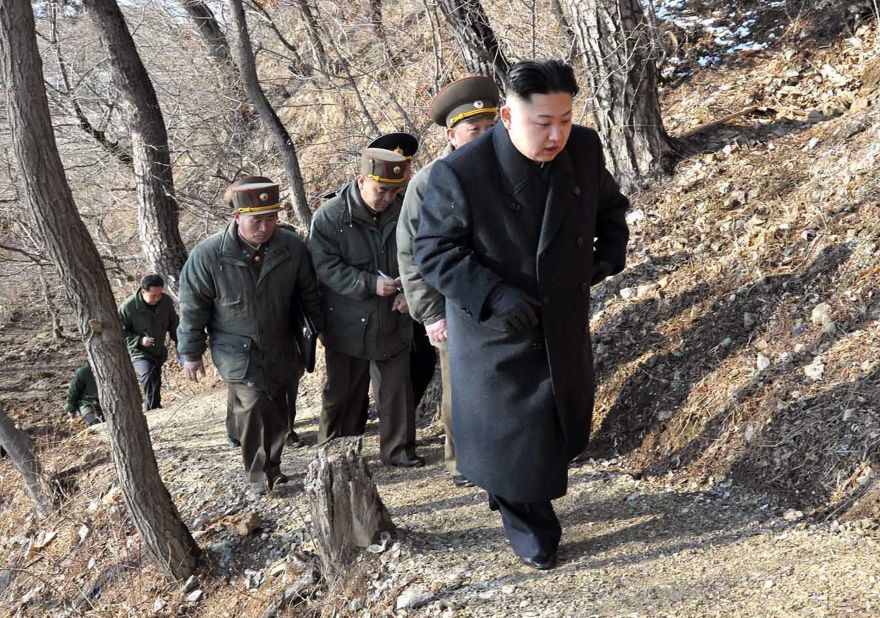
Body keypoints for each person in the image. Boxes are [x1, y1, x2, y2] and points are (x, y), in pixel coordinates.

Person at [415, 60, 630, 570]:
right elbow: (434, 251)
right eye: (542, 123)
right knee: (512, 436)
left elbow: (609, 205)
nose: (556, 134)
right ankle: (529, 525)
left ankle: (515, 490)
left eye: (565, 118)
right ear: (508, 117)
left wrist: (609, 251)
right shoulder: (460, 174)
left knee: (558, 429)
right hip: (497, 333)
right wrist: (493, 296)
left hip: (561, 319)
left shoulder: (583, 147)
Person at [177, 176, 322, 495]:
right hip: (235, 348)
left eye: (271, 218)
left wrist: (320, 330)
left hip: (282, 343)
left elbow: (309, 293)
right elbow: (192, 308)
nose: (265, 226)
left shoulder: (291, 248)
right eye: (257, 219)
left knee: (281, 409)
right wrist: (190, 353)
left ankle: (274, 465)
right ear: (237, 217)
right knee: (255, 406)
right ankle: (259, 476)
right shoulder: (208, 255)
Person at [397, 75, 499, 489]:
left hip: (501, 300)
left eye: (491, 127)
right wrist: (430, 313)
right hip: (453, 304)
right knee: (461, 388)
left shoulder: (510, 168)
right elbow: (411, 252)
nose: (483, 136)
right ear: (452, 134)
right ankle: (462, 462)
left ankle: (503, 455)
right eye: (474, 130)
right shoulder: (430, 181)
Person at [309, 147, 424, 468]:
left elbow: (422, 254)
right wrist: (368, 284)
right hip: (346, 322)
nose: (388, 198)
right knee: (343, 393)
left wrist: (410, 291)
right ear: (361, 181)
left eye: (395, 191)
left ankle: (399, 452)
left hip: (392, 318)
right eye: (381, 190)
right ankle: (335, 457)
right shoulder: (330, 216)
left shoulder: (405, 211)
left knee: (396, 391)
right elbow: (325, 267)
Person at [369, 132, 438, 411]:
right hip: (373, 306)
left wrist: (411, 292)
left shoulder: (421, 197)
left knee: (423, 364)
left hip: (417, 298)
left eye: (405, 165)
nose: (402, 173)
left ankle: (404, 424)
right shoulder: (366, 202)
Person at [118, 274, 178, 411]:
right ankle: (151, 410)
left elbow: (174, 324)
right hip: (137, 351)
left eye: (159, 294)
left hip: (157, 350)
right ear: (143, 291)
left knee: (156, 379)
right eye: (153, 295)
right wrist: (139, 340)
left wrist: (181, 345)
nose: (157, 298)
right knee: (148, 374)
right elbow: (120, 334)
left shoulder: (166, 302)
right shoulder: (128, 307)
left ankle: (155, 407)